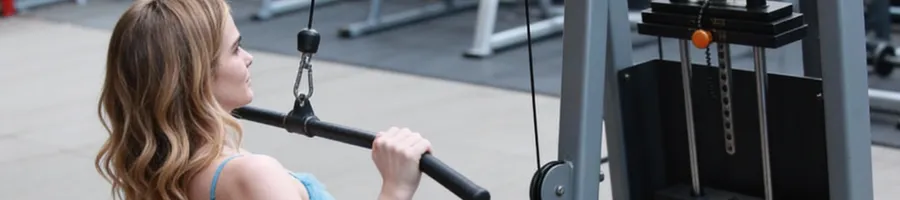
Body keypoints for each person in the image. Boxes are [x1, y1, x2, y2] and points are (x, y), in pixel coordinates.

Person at [94, 0, 433, 199]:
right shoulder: (253, 176)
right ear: (197, 77)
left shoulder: (165, 167)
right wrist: (396, 186)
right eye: (235, 48)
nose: (249, 57)